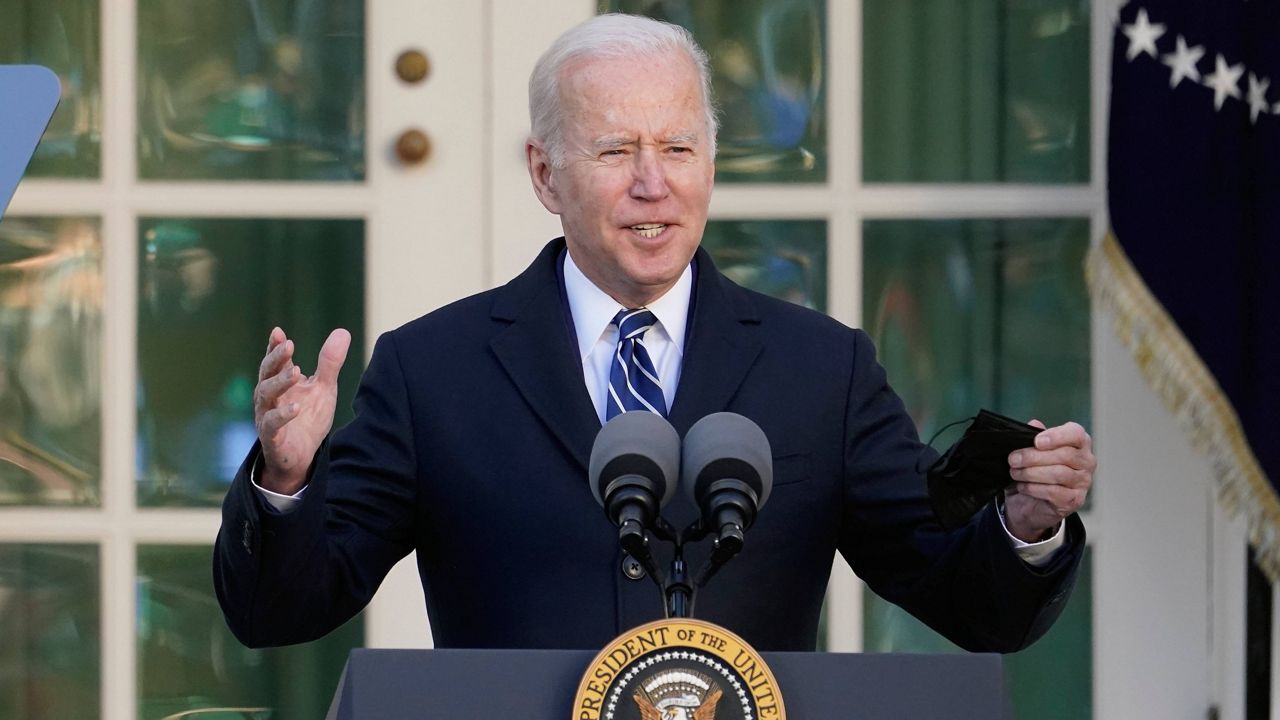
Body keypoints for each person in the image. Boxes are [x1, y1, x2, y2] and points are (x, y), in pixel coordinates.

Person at [214, 14, 1093, 652]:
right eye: (613, 151)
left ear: (710, 164)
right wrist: (287, 480)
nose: (652, 185)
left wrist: (1023, 524)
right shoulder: (432, 370)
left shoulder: (822, 368)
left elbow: (963, 598)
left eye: (677, 149)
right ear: (545, 173)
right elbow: (280, 612)